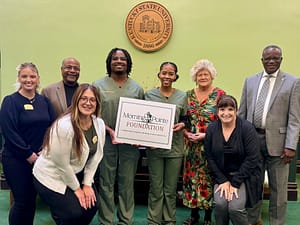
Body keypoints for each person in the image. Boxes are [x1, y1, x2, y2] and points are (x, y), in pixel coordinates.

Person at [238, 45, 300, 225]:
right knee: (253, 186)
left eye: (275, 58)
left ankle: (276, 223)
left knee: (278, 191)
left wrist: (290, 145)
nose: (271, 61)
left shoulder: (293, 82)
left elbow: (295, 118)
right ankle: (252, 221)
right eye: (268, 58)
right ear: (262, 60)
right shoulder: (250, 81)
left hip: (280, 145)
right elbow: (242, 113)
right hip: (252, 142)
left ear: (281, 60)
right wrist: (240, 141)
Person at [33, 83, 105, 225]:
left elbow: (96, 156)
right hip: (51, 175)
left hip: (75, 171)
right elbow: (62, 165)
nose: (88, 103)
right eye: (84, 98)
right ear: (76, 100)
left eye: (92, 100)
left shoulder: (99, 124)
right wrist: (77, 190)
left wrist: (87, 184)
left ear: (97, 103)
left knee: (91, 206)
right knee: (72, 212)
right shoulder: (64, 126)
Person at [0, 62, 56, 225]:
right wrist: (28, 154)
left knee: (31, 200)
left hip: (40, 159)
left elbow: (52, 128)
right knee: (22, 200)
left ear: (38, 79)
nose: (28, 80)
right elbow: (9, 132)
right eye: (24, 76)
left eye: (32, 76)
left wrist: (44, 151)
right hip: (16, 160)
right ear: (19, 78)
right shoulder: (10, 101)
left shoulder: (44, 102)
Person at [93, 47, 144, 225]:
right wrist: (110, 131)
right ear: (109, 62)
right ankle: (106, 220)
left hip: (129, 145)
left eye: (123, 59)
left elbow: (143, 117)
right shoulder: (98, 86)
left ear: (128, 63)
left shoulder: (137, 88)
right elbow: (93, 114)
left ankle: (125, 220)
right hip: (106, 141)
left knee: (127, 184)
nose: (119, 61)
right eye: (115, 58)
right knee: (106, 182)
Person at [204, 95, 263, 225]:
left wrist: (235, 183)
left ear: (236, 111)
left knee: (235, 208)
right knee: (220, 205)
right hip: (222, 177)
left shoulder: (247, 128)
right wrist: (223, 180)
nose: (226, 113)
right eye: (222, 109)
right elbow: (209, 156)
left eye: (230, 109)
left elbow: (252, 158)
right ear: (217, 111)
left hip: (244, 176)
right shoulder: (212, 129)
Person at [182, 59, 225, 225]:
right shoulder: (187, 95)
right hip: (191, 147)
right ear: (195, 77)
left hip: (211, 145)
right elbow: (183, 119)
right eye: (200, 74)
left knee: (208, 180)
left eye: (206, 74)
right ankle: (194, 215)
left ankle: (207, 216)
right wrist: (186, 133)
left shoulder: (221, 95)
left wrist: (205, 136)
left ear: (212, 76)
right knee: (191, 180)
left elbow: (225, 121)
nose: (203, 77)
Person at [144, 62, 187, 224]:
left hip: (175, 150)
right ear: (159, 75)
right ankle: (153, 221)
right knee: (156, 188)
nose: (167, 77)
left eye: (171, 74)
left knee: (170, 190)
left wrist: (182, 124)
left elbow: (185, 118)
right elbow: (144, 120)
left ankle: (169, 220)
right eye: (164, 73)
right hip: (155, 150)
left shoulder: (182, 96)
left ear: (175, 76)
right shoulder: (149, 95)